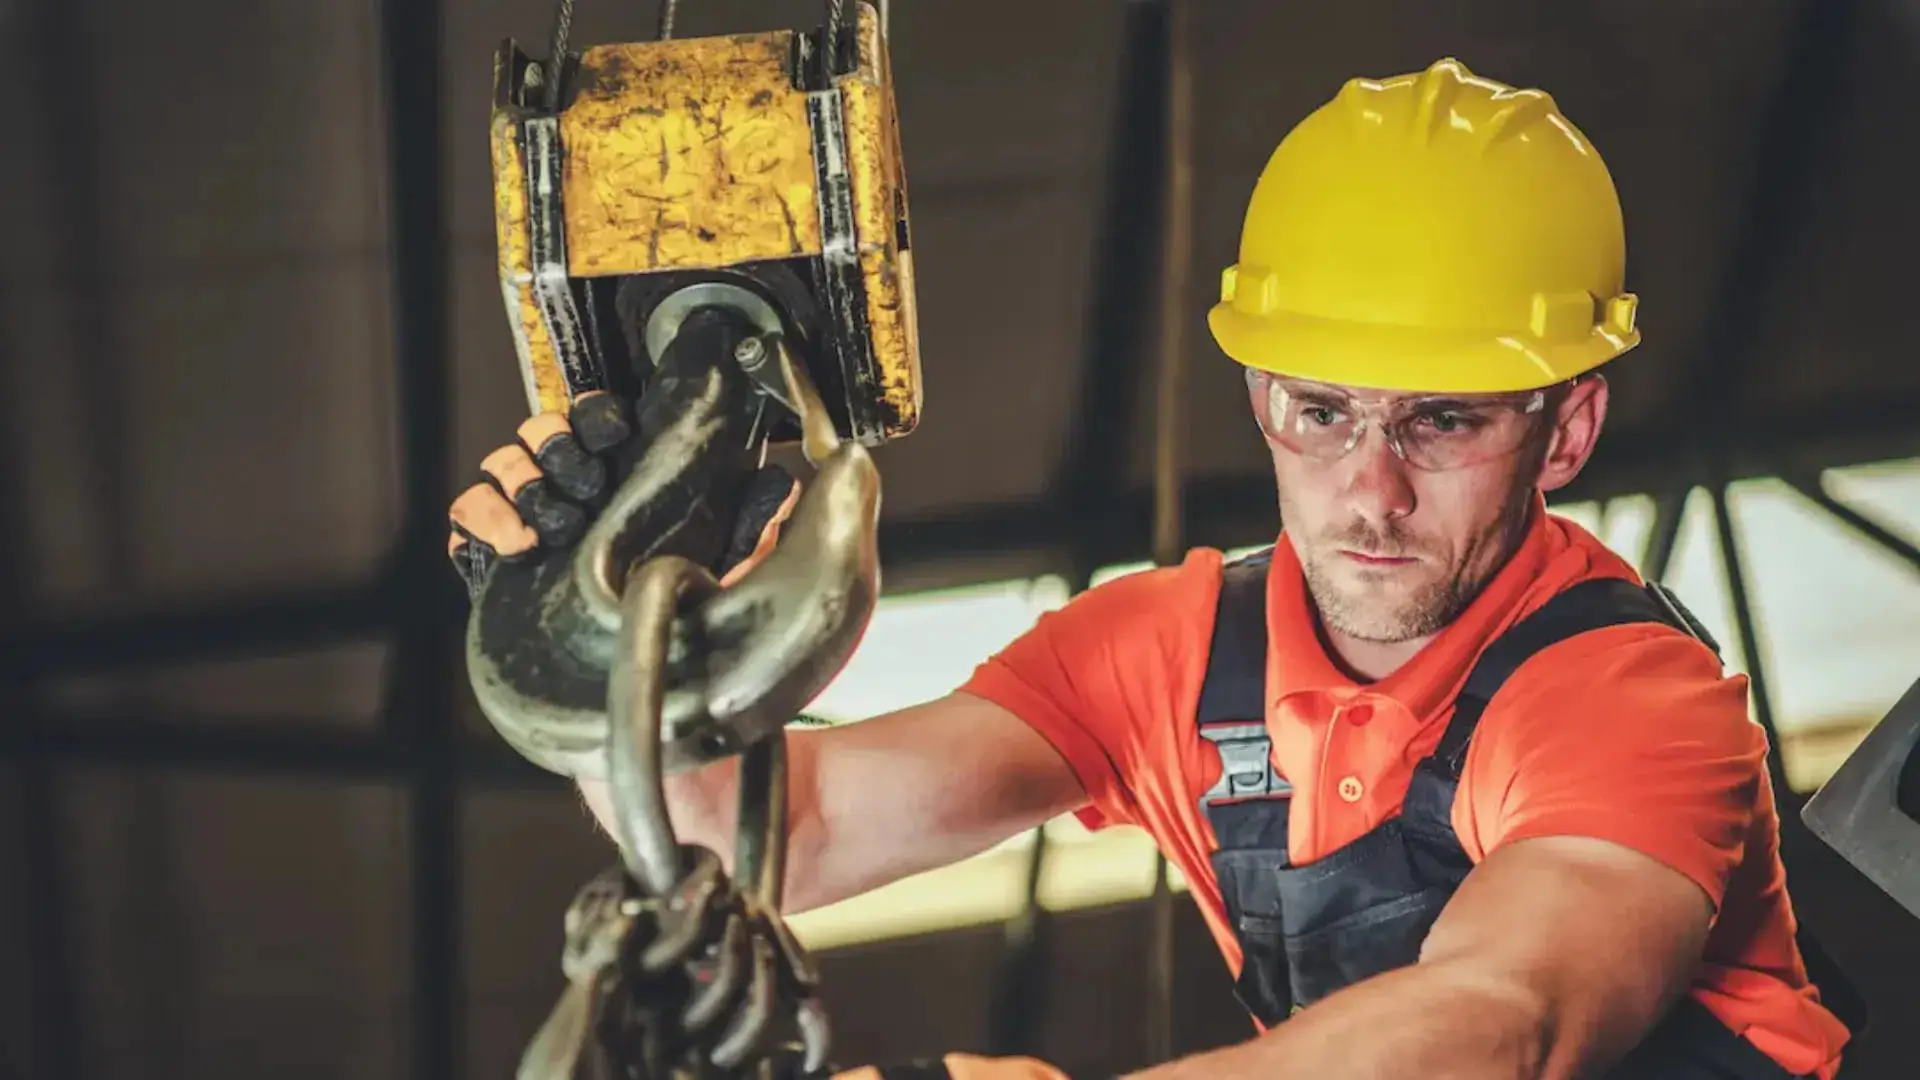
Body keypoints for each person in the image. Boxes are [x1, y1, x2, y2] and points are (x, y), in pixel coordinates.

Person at [450, 59, 1852, 1079]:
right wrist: (585, 641)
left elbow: (1507, 1025)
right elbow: (772, 845)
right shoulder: (1171, 652)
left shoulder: (1629, 700)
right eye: (1322, 413)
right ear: (1260, 402)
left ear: (1569, 429)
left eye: (1446, 420)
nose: (1371, 490)